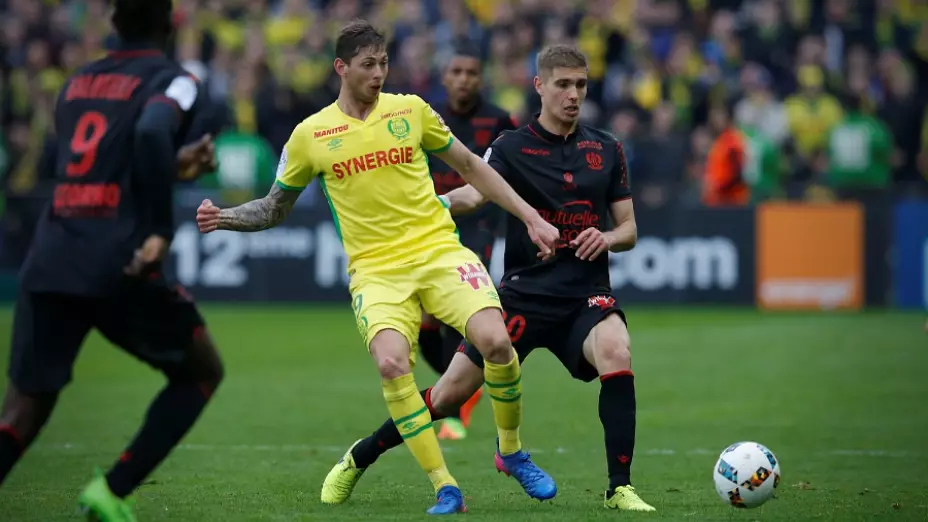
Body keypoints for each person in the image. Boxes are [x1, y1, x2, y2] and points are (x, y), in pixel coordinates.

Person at [195, 20, 559, 515]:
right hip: (376, 271)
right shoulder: (311, 135)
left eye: (384, 62)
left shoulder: (411, 110)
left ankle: (511, 452)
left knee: (496, 340)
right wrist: (225, 217)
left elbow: (473, 167)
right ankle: (444, 485)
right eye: (368, 65)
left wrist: (532, 218)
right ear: (341, 68)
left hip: (438, 250)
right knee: (392, 364)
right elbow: (274, 207)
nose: (379, 73)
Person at [321, 44, 657, 513]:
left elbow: (630, 230)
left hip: (586, 295)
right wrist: (420, 211)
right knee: (447, 395)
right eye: (563, 84)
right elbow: (471, 196)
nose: (573, 94)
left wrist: (607, 237)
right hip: (523, 294)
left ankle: (619, 488)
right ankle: (359, 457)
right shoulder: (512, 146)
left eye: (580, 85)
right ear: (539, 86)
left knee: (617, 350)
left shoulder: (606, 148)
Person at [0, 1, 223, 520]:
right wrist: (159, 230)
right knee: (201, 372)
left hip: (53, 254)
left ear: (112, 23)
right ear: (171, 25)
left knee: (23, 409)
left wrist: (168, 167)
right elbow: (148, 132)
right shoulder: (178, 79)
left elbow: (101, 164)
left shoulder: (76, 83)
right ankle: (113, 489)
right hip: (119, 261)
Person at [421, 44, 517, 441]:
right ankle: (458, 391)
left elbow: (509, 171)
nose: (463, 79)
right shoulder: (424, 116)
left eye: (471, 73)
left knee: (461, 319)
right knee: (426, 325)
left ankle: (456, 410)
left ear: (481, 78)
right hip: (431, 226)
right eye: (456, 71)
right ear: (445, 77)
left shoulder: (498, 120)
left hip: (477, 227)